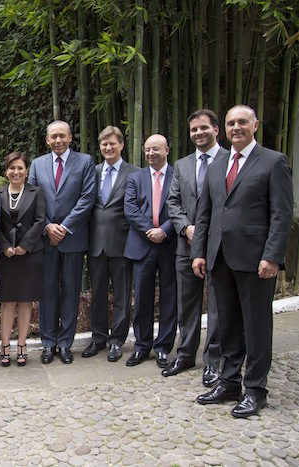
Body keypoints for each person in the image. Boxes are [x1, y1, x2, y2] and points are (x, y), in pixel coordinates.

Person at [193, 105, 293, 418]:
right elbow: (205, 212)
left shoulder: (273, 161)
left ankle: (255, 389)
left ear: (255, 125)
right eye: (231, 123)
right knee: (228, 325)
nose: (237, 127)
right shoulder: (217, 162)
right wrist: (199, 252)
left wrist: (272, 256)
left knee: (256, 325)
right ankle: (229, 381)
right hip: (220, 258)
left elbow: (281, 213)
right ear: (224, 128)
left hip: (256, 261)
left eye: (243, 122)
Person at [164, 109, 227, 385]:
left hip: (219, 246)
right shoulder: (182, 164)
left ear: (216, 130)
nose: (198, 133)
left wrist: (207, 233)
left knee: (216, 304)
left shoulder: (230, 160)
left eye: (204, 128)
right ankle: (185, 353)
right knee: (186, 303)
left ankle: (214, 360)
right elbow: (173, 202)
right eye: (194, 130)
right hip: (186, 243)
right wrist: (187, 228)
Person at [27, 120, 96, 364]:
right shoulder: (37, 164)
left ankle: (65, 343)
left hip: (72, 238)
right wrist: (47, 225)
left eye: (62, 136)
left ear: (70, 137)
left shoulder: (85, 162)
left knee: (70, 291)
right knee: (47, 292)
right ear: (47, 140)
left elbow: (87, 197)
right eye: (53, 136)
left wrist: (64, 227)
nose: (58, 140)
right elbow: (32, 199)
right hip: (45, 239)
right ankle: (48, 343)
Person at [81, 126, 136, 363]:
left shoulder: (134, 173)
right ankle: (99, 338)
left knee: (122, 294)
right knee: (98, 294)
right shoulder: (91, 172)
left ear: (121, 145)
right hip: (95, 243)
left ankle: (117, 341)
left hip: (122, 242)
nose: (108, 148)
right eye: (104, 144)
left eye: (112, 144)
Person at [123, 134, 177, 369]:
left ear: (167, 150)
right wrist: (151, 231)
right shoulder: (136, 178)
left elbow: (183, 207)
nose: (151, 154)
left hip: (170, 245)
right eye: (147, 150)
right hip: (142, 245)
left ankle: (163, 347)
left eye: (156, 149)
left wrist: (164, 230)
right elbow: (130, 209)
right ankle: (142, 346)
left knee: (169, 298)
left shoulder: (179, 176)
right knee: (142, 298)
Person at [0, 151, 46, 367]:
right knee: (7, 302)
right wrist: (5, 246)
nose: (16, 172)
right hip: (7, 257)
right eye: (12, 168)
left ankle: (22, 345)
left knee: (25, 301)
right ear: (6, 171)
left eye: (20, 168)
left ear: (26, 171)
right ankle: (5, 346)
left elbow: (40, 220)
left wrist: (25, 246)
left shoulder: (36, 192)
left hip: (30, 254)